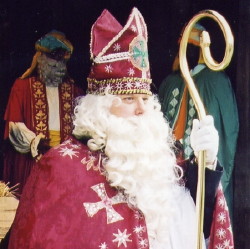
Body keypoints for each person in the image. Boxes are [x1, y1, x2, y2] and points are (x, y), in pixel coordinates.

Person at [8, 8, 233, 249]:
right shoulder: (61, 168)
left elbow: (194, 226)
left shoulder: (158, 165)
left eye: (145, 99)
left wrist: (206, 167)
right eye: (128, 99)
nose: (141, 109)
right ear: (100, 108)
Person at [158, 23, 239, 219]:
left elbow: (228, 128)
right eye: (182, 48)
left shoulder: (216, 82)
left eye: (190, 47)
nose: (185, 53)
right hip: (168, 171)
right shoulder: (170, 82)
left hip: (199, 169)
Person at [2, 30, 83, 194]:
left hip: (66, 165)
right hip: (32, 161)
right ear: (40, 58)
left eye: (61, 61)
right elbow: (14, 125)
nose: (57, 65)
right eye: (52, 59)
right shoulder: (22, 87)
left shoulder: (75, 91)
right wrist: (34, 143)